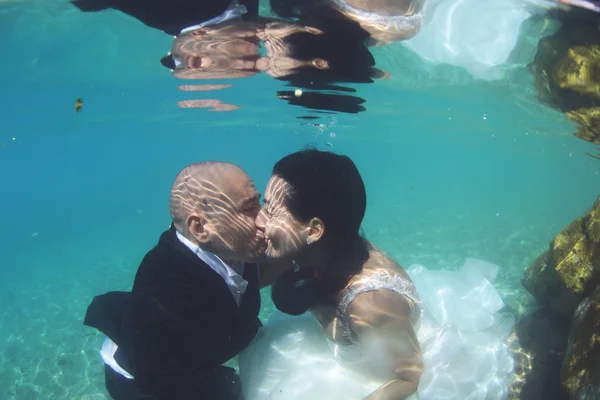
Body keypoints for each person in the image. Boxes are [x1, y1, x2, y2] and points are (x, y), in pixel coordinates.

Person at [239, 149, 516, 399]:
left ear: (313, 230)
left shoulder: (372, 304)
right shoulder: (318, 248)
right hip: (351, 349)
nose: (259, 220)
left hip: (381, 376)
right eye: (264, 205)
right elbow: (246, 281)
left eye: (271, 212)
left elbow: (409, 377)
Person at [83, 161, 274, 400]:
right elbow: (162, 379)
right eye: (248, 209)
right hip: (145, 382)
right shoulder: (162, 298)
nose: (265, 220)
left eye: (260, 203)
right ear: (200, 228)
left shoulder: (229, 243)